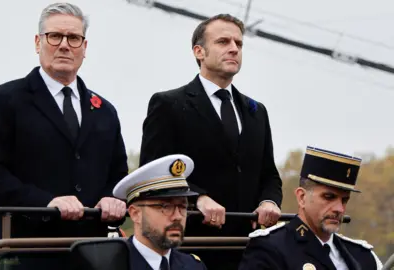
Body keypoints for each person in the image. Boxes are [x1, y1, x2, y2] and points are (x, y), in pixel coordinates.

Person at [0, 2, 127, 244]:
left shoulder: (104, 110)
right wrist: (45, 202)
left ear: (84, 47)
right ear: (37, 42)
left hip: (92, 250)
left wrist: (112, 198)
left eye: (74, 38)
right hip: (25, 247)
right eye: (54, 36)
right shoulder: (3, 101)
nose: (64, 45)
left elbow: (118, 174)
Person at [139, 13, 282, 269]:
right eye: (223, 42)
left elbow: (269, 174)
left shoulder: (256, 112)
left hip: (248, 251)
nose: (233, 49)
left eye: (238, 44)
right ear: (199, 52)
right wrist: (198, 198)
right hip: (192, 247)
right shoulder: (169, 105)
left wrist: (269, 201)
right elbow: (154, 173)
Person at [239, 146, 384, 270]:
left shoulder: (363, 257)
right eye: (329, 197)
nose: (339, 208)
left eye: (344, 200)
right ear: (302, 197)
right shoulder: (270, 249)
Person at [113, 154, 208, 270]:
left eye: (182, 207)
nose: (177, 216)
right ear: (135, 214)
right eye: (166, 207)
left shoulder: (193, 266)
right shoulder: (112, 264)